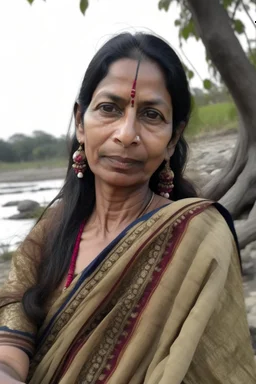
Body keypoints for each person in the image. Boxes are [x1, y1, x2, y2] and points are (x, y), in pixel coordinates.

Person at [0, 32, 255, 384]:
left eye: (151, 115)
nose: (126, 133)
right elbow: (14, 316)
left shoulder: (198, 236)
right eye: (109, 108)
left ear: (173, 138)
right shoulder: (52, 228)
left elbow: (217, 367)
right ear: (80, 121)